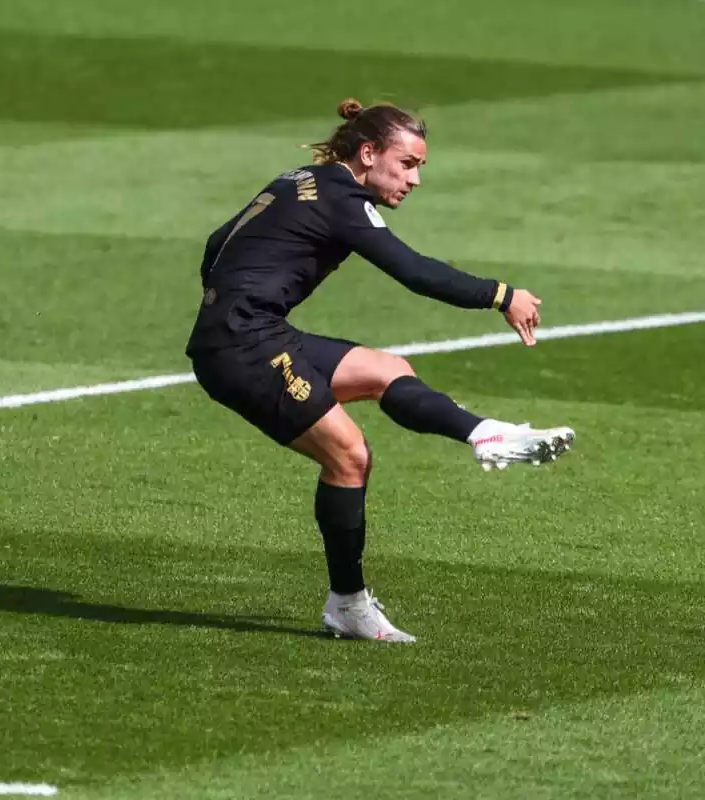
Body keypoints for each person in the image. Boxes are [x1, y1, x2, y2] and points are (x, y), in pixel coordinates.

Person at [185, 98, 575, 643]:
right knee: (349, 456)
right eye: (408, 164)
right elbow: (412, 271)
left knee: (385, 369)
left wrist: (228, 295)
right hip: (243, 343)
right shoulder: (344, 199)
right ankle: (347, 604)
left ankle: (484, 434)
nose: (414, 179)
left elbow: (214, 244)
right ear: (369, 153)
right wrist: (502, 294)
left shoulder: (303, 177)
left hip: (248, 331)